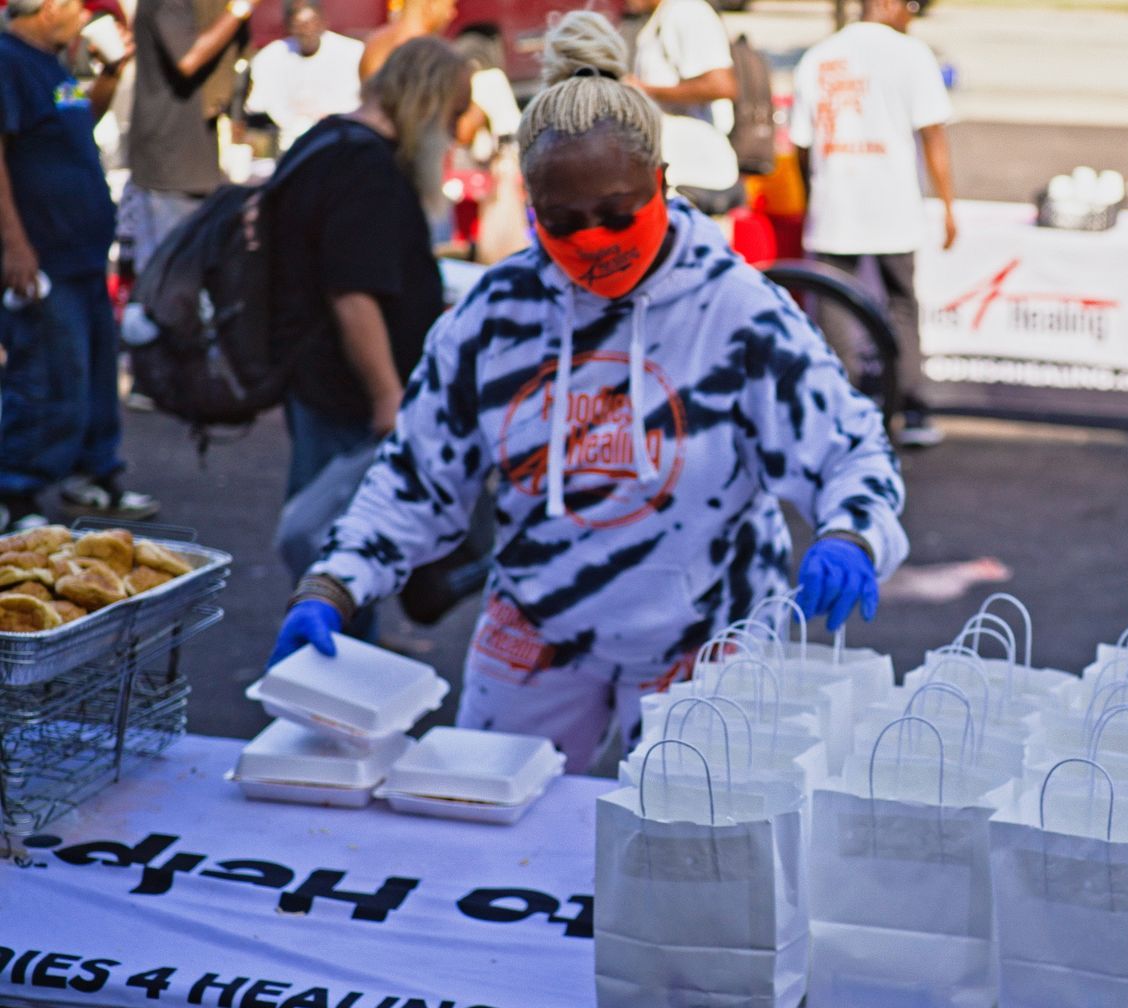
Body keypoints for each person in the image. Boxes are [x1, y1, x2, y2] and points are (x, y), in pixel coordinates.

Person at [268, 11, 907, 773]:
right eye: (564, 223)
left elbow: (847, 447)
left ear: (662, 185)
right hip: (538, 627)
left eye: (618, 214)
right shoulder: (494, 316)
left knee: (691, 861)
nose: (596, 242)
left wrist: (849, 532)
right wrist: (334, 585)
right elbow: (414, 478)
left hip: (708, 632)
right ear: (531, 209)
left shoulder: (736, 310)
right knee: (487, 839)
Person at [269, 38, 466, 503]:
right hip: (344, 391)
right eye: (453, 115)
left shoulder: (328, 139)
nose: (454, 133)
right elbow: (353, 292)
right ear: (428, 101)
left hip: (318, 378)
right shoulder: (366, 166)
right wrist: (386, 394)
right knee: (338, 533)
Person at [1, 0, 156, 529]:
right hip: (44, 257)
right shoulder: (8, 59)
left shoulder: (51, 61)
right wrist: (14, 244)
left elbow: (76, 119)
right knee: (45, 375)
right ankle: (15, 494)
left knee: (92, 371)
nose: (83, 14)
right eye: (75, 4)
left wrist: (111, 72)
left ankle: (93, 475)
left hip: (81, 252)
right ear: (45, 8)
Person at [790, 0, 956, 449]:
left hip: (836, 201)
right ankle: (911, 407)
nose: (912, 13)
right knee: (900, 305)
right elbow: (933, 136)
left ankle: (844, 409)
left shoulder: (819, 56)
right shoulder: (912, 54)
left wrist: (815, 195)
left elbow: (801, 144)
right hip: (893, 205)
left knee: (835, 306)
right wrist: (947, 203)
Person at [122, 0, 251, 277]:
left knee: (195, 281)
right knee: (169, 283)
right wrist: (240, 8)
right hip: (170, 167)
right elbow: (188, 58)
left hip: (198, 162)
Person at [244, 0, 364, 148]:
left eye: (311, 23)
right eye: (299, 25)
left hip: (342, 140)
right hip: (289, 145)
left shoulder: (352, 53)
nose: (306, 31)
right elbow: (259, 109)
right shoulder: (269, 58)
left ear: (323, 22)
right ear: (288, 27)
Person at [624, 0, 736, 128]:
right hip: (675, 137)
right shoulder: (665, 13)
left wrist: (645, 91)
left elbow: (719, 85)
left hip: (693, 139)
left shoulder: (687, 10)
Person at [357, 0, 453, 80]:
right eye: (449, 6)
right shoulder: (429, 57)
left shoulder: (375, 41)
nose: (451, 13)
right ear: (431, 4)